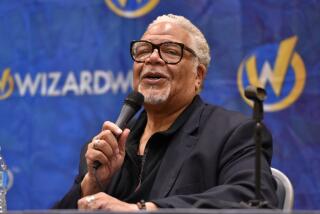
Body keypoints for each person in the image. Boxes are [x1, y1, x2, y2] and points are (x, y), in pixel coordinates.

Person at [53, 14, 277, 211]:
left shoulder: (233, 134)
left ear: (198, 76)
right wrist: (91, 184)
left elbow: (253, 201)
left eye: (170, 52)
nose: (152, 58)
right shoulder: (105, 149)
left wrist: (145, 210)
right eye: (143, 50)